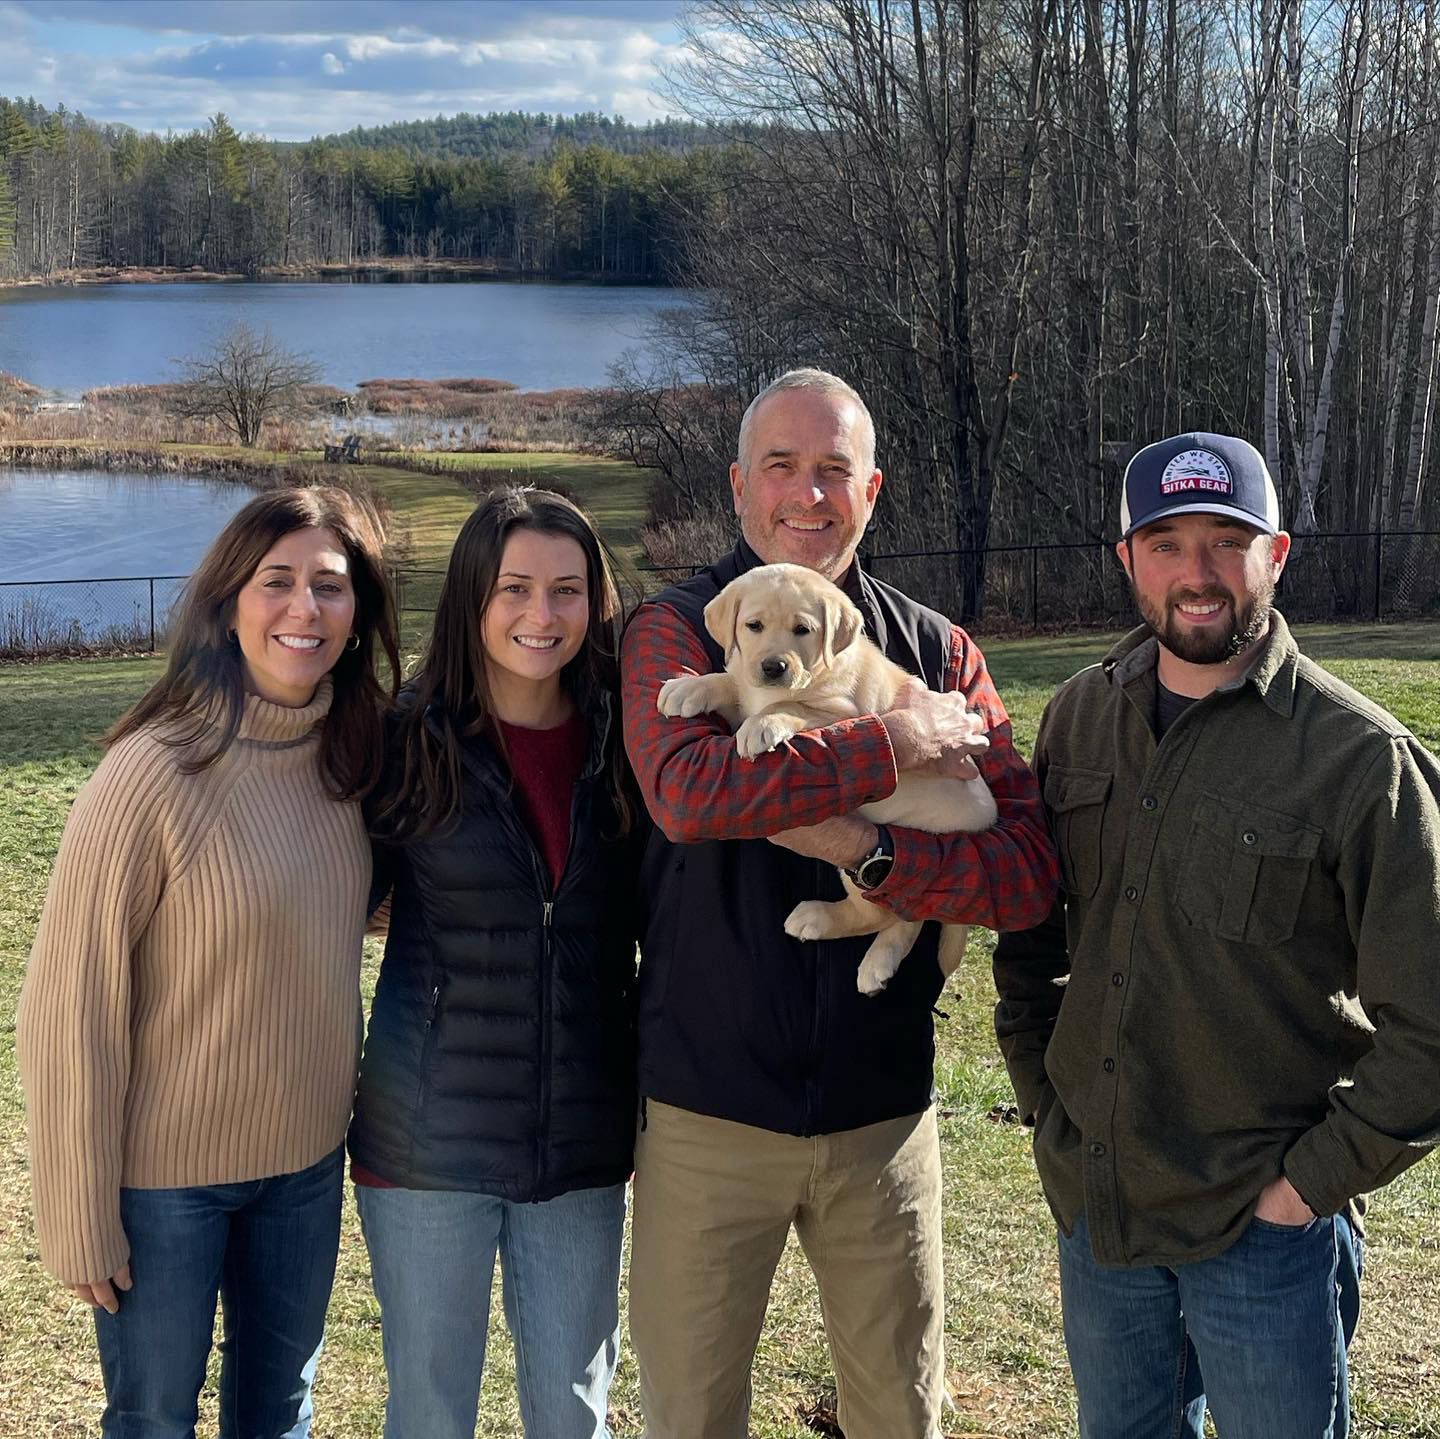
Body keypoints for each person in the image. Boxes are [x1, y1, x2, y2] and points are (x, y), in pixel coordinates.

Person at [620, 367, 1059, 1438]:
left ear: (874, 489)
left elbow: (1023, 872)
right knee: (689, 1415)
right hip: (706, 1109)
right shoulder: (677, 630)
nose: (807, 495)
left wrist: (869, 853)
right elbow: (691, 793)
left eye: (834, 471)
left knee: (901, 1415)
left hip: (881, 1111)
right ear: (738, 486)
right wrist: (893, 745)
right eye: (782, 467)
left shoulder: (941, 653)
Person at [992, 431, 1440, 1437]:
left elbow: (1434, 1025)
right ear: (1127, 558)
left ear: (1276, 554)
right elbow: (1028, 948)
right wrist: (1051, 1116)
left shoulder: (1362, 760)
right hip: (1101, 1214)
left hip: (1264, 1232)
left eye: (1226, 543)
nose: (1196, 574)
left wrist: (1304, 1190)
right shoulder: (1073, 719)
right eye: (1166, 542)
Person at [17, 485, 399, 1439]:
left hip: (306, 1166)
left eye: (331, 585)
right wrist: (75, 1205)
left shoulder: (354, 759)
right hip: (162, 1184)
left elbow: (345, 904)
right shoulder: (153, 769)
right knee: (153, 1418)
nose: (305, 609)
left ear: (360, 614)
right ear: (230, 601)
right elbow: (69, 999)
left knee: (279, 1412)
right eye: (278, 581)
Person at [348, 487, 643, 1439]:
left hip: (583, 1146)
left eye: (566, 590)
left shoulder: (630, 741)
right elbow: (327, 899)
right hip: (426, 1142)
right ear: (474, 595)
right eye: (514, 587)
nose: (540, 615)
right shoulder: (407, 739)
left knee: (573, 1413)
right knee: (431, 1412)